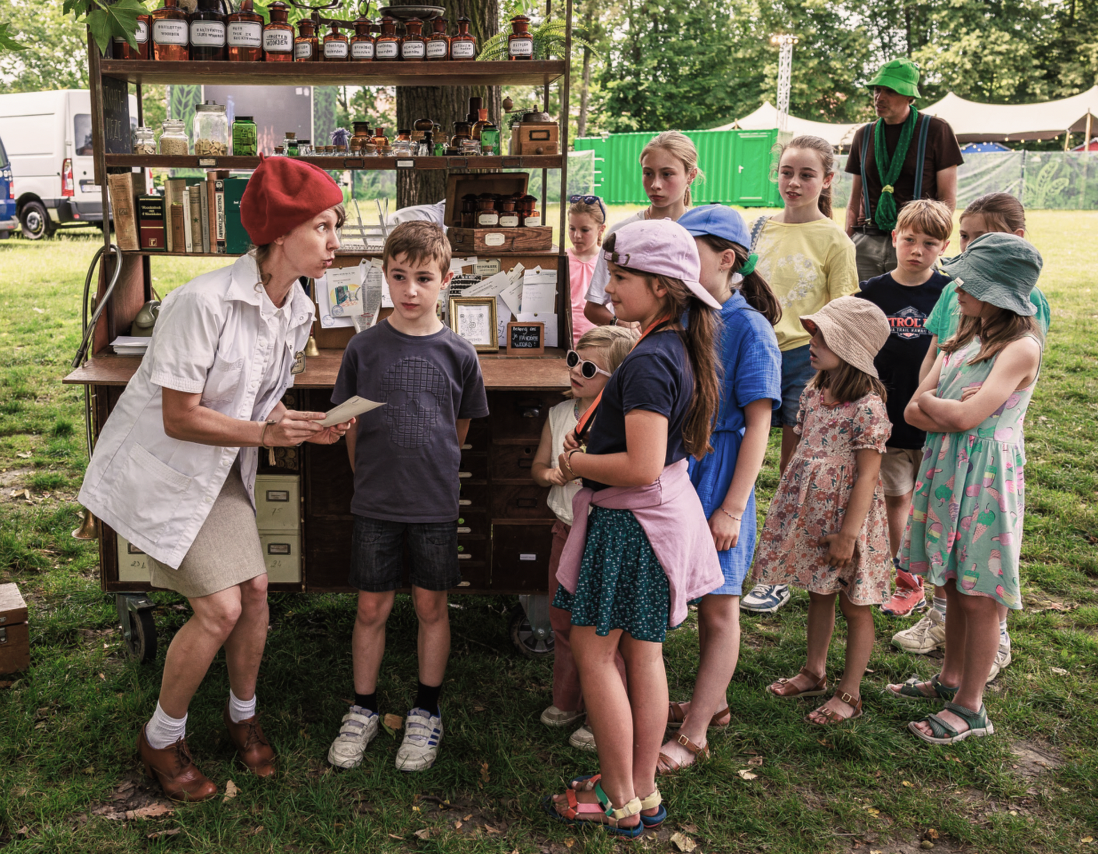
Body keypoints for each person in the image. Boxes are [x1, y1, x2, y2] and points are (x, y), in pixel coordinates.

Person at [78, 154, 354, 801]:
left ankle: (241, 715)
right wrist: (265, 433)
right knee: (220, 608)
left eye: (336, 224)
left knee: (257, 591)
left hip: (217, 470)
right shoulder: (200, 304)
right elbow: (179, 418)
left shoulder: (298, 309)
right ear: (281, 234)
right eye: (323, 226)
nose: (336, 240)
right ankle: (162, 736)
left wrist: (307, 425)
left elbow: (262, 405)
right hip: (163, 473)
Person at [545, 219, 723, 837]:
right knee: (643, 653)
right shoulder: (674, 344)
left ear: (664, 287)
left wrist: (575, 462)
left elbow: (641, 467)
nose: (609, 287)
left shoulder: (649, 361)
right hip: (655, 526)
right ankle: (641, 790)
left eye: (621, 278)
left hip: (629, 528)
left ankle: (617, 796)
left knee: (596, 653)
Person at [327, 221, 489, 773]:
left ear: (446, 280)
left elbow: (460, 427)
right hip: (375, 502)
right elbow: (350, 427)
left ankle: (426, 710)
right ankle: (364, 706)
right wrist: (371, 479)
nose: (411, 290)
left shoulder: (461, 353)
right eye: (399, 277)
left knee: (430, 606)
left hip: (434, 504)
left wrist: (429, 468)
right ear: (385, 276)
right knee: (370, 605)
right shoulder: (363, 348)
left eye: (424, 278)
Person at [886, 233, 1043, 744]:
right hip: (950, 465)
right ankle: (949, 680)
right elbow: (913, 406)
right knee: (951, 583)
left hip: (985, 479)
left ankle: (972, 706)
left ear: (999, 292)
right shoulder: (964, 337)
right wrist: (944, 408)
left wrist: (945, 407)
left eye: (969, 282)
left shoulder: (1020, 347)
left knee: (978, 594)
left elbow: (967, 414)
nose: (957, 288)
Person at [656, 205, 782, 774]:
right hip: (681, 472)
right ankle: (717, 702)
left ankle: (698, 729)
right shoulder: (685, 316)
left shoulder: (749, 327)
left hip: (723, 476)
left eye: (690, 254)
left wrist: (732, 508)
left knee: (719, 609)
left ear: (726, 259)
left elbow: (759, 425)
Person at [752, 296, 892, 725]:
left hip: (850, 519)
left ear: (850, 349)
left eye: (823, 336)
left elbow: (867, 475)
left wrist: (849, 535)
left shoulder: (866, 406)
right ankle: (813, 670)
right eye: (813, 332)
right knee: (819, 591)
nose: (811, 341)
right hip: (814, 515)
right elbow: (800, 446)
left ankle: (849, 692)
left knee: (854, 604)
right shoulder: (814, 391)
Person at [741, 135, 859, 616]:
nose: (794, 182)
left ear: (827, 180)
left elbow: (843, 311)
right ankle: (730, 552)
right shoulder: (759, 228)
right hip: (752, 355)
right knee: (736, 459)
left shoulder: (835, 239)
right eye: (787, 171)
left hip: (801, 363)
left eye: (807, 175)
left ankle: (779, 572)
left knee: (794, 473)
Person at [531, 325, 637, 751]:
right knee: (562, 619)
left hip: (602, 537)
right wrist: (549, 474)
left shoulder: (623, 424)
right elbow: (538, 466)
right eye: (575, 359)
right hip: (565, 530)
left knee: (602, 629)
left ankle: (603, 712)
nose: (576, 369)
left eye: (589, 367)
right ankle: (569, 699)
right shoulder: (559, 415)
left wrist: (583, 466)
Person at [855, 199, 952, 617]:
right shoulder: (874, 291)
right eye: (909, 239)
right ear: (894, 238)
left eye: (929, 243)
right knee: (897, 499)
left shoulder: (949, 292)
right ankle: (907, 582)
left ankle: (945, 590)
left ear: (944, 246)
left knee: (934, 503)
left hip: (935, 418)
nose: (917, 249)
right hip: (887, 418)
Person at [844, 58, 964, 283]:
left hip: (914, 241)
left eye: (889, 90)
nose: (879, 97)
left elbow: (947, 198)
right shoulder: (864, 135)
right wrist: (847, 241)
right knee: (860, 312)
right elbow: (854, 201)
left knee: (908, 314)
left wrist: (934, 243)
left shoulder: (936, 130)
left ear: (910, 96)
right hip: (866, 241)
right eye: (877, 89)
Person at [582, 131, 702, 328]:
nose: (655, 184)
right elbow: (593, 308)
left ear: (691, 175)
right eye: (648, 173)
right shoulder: (622, 233)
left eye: (667, 174)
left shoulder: (703, 233)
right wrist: (624, 325)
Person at [566, 195, 609, 345]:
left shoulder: (607, 262)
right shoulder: (562, 259)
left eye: (585, 230)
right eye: (572, 228)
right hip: (565, 341)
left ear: (601, 229)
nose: (576, 236)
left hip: (599, 342)